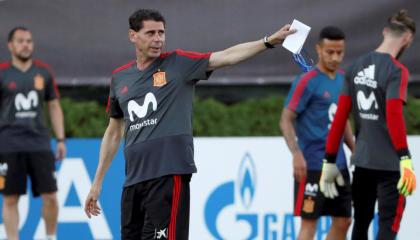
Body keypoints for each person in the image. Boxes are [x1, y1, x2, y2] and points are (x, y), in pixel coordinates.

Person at [83, 8, 296, 240]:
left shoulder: (179, 63)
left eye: (161, 33)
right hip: (133, 180)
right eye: (150, 33)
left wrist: (268, 41)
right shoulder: (120, 77)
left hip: (168, 173)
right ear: (133, 36)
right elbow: (114, 132)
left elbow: (226, 56)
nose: (158, 39)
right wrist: (97, 183)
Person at [319, 9, 416, 240]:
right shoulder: (397, 71)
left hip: (362, 163)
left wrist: (328, 161)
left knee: (361, 224)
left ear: (385, 32)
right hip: (391, 168)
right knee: (387, 227)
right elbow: (394, 115)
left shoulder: (354, 67)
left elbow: (340, 118)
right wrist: (405, 158)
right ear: (407, 39)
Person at [280, 26, 355, 240]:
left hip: (338, 164)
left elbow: (342, 119)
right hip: (312, 165)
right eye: (330, 52)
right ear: (319, 49)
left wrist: (355, 150)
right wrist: (296, 154)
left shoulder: (344, 79)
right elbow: (286, 119)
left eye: (340, 52)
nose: (335, 57)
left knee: (344, 221)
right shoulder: (306, 81)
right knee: (309, 224)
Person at [0, 27, 66, 240]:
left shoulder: (43, 72)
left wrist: (61, 139)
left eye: (29, 40)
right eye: (20, 41)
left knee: (51, 197)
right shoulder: (2, 73)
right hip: (8, 145)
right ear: (10, 45)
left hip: (39, 144)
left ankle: (50, 237)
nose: (26, 44)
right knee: (10, 198)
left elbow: (54, 107)